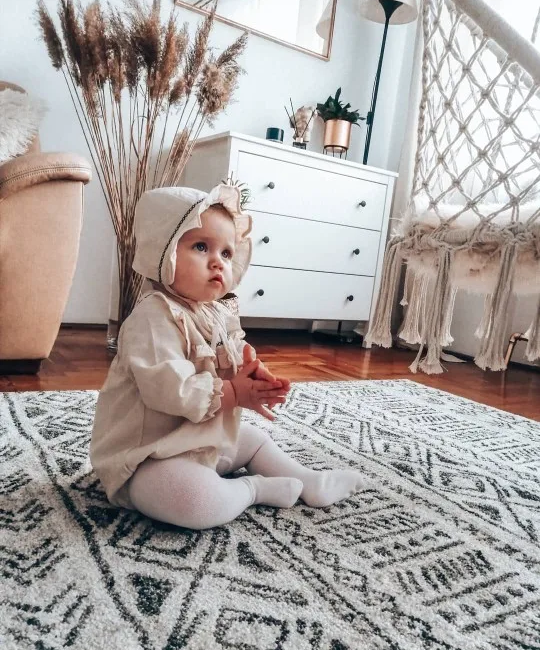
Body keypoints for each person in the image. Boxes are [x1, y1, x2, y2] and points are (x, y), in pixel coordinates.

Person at [90, 184, 365, 530]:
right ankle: (252, 489)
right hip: (145, 457)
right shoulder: (152, 318)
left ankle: (309, 481)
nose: (217, 262)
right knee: (196, 502)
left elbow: (231, 360)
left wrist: (251, 378)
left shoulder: (216, 313)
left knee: (252, 440)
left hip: (196, 439)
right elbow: (171, 391)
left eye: (226, 253)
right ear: (164, 251)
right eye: (201, 247)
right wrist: (233, 393)